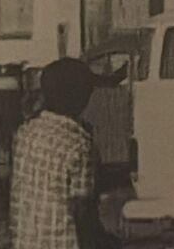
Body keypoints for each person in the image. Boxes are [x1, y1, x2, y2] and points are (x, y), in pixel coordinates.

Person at [10, 57, 103, 249]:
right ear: (81, 97)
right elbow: (83, 211)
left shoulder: (26, 132)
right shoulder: (79, 144)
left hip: (27, 241)